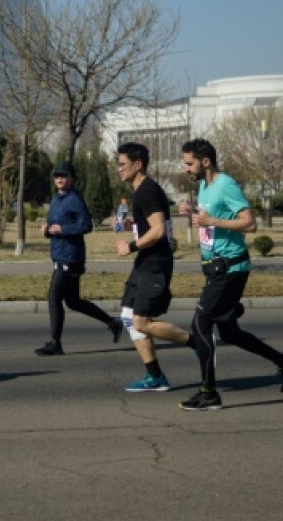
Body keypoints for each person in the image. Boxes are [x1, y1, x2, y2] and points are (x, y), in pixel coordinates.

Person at [176, 139, 283, 410]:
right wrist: (194, 215)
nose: (186, 168)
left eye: (190, 163)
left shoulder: (226, 185)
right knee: (230, 332)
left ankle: (209, 392)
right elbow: (211, 221)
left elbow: (250, 223)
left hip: (232, 268)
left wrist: (211, 221)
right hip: (216, 268)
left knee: (200, 324)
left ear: (205, 162)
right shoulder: (204, 186)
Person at [114, 142, 193, 392]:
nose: (119, 170)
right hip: (144, 263)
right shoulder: (141, 191)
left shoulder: (147, 190)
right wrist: (135, 229)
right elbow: (153, 226)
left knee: (141, 323)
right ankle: (155, 376)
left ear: (138, 165)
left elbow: (158, 231)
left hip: (154, 263)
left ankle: (198, 343)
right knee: (128, 317)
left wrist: (132, 245)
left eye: (123, 165)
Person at [35, 160, 123, 356]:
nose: (59, 179)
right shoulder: (56, 200)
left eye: (64, 175)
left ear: (72, 179)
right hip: (59, 254)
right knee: (73, 301)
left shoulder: (75, 199)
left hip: (71, 258)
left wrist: (63, 229)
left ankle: (55, 343)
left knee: (53, 297)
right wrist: (48, 230)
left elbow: (86, 225)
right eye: (57, 176)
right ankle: (112, 322)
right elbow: (55, 226)